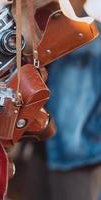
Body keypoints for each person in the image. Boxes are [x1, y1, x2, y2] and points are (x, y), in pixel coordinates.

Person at [46, 1, 101, 200]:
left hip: (78, 156)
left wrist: (91, 139)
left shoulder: (96, 36)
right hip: (38, 149)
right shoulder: (40, 32)